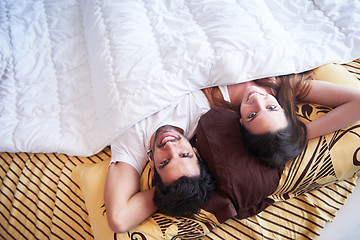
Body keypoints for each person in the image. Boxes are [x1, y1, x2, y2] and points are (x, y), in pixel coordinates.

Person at [104, 91, 216, 233]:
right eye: (184, 154)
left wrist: (173, 194)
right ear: (196, 153)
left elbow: (119, 220)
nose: (169, 146)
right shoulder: (198, 111)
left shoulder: (132, 147)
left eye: (164, 162)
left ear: (152, 169)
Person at [203, 71, 360, 169]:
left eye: (252, 115)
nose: (257, 100)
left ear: (241, 122)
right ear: (284, 110)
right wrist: (299, 134)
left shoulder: (213, 100)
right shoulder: (286, 88)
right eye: (271, 108)